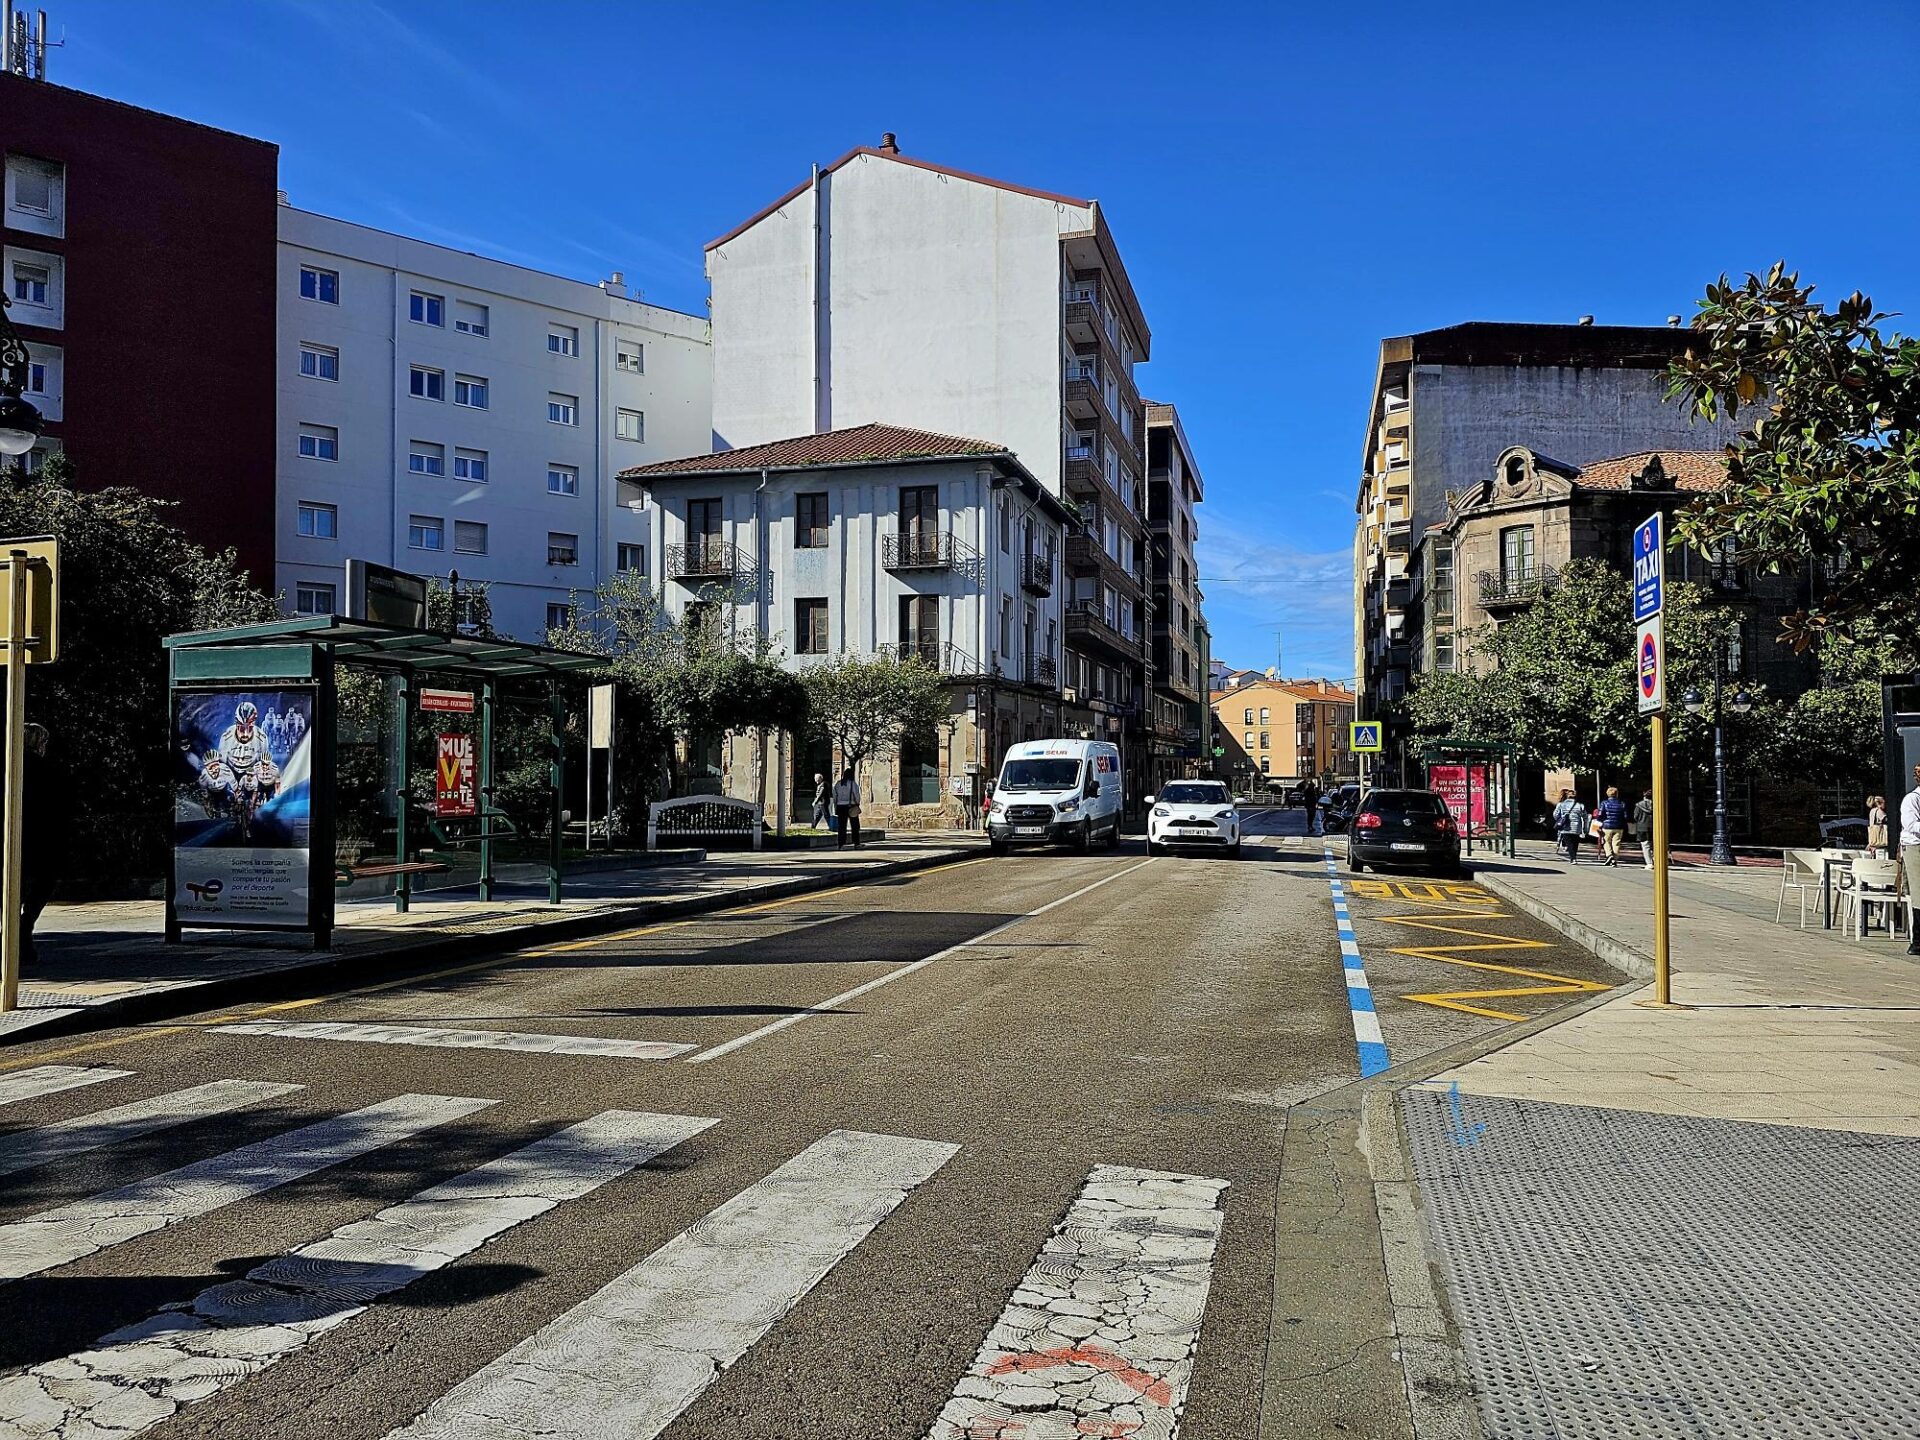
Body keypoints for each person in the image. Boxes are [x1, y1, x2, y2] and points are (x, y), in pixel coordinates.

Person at [17, 723, 60, 966]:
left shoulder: (12, 765)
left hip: (16, 838)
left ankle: (14, 931)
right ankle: (25, 926)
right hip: (40, 839)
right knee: (43, 884)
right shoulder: (47, 770)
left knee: (14, 888)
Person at [1899, 764, 1920, 957]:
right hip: (1915, 847)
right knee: (1919, 892)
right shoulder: (1912, 799)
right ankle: (1918, 942)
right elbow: (1911, 825)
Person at [1552, 787, 1589, 864]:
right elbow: (1585, 818)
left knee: (1569, 843)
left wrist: (1561, 819)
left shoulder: (1561, 804)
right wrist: (1585, 829)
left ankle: (1573, 858)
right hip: (1577, 827)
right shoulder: (1580, 805)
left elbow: (1555, 815)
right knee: (1575, 843)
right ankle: (1573, 857)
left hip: (1565, 827)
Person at [1594, 786, 1629, 866]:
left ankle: (1609, 855)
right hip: (1619, 826)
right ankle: (1614, 860)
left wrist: (1598, 821)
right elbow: (1625, 816)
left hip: (1607, 826)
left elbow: (1600, 814)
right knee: (1616, 843)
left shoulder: (1604, 803)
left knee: (1606, 841)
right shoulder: (1622, 803)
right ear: (1617, 794)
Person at [832, 766, 863, 849]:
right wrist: (857, 803)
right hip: (851, 805)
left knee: (841, 826)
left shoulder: (838, 784)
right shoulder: (853, 784)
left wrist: (835, 806)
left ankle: (841, 844)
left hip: (840, 806)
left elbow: (835, 796)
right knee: (855, 826)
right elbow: (857, 795)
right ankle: (856, 843)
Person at [1632, 789, 1656, 869]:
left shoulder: (1638, 805)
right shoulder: (1656, 804)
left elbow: (1635, 816)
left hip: (1642, 827)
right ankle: (1655, 859)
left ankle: (1649, 863)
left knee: (1645, 845)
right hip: (1654, 827)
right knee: (1655, 844)